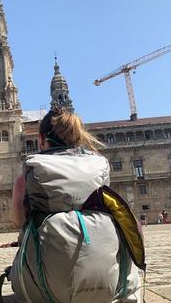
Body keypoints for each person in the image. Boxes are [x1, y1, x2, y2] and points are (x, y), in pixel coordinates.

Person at [10, 108, 143, 303]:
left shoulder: (28, 174)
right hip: (108, 285)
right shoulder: (99, 166)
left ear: (40, 138)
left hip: (47, 290)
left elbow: (18, 221)